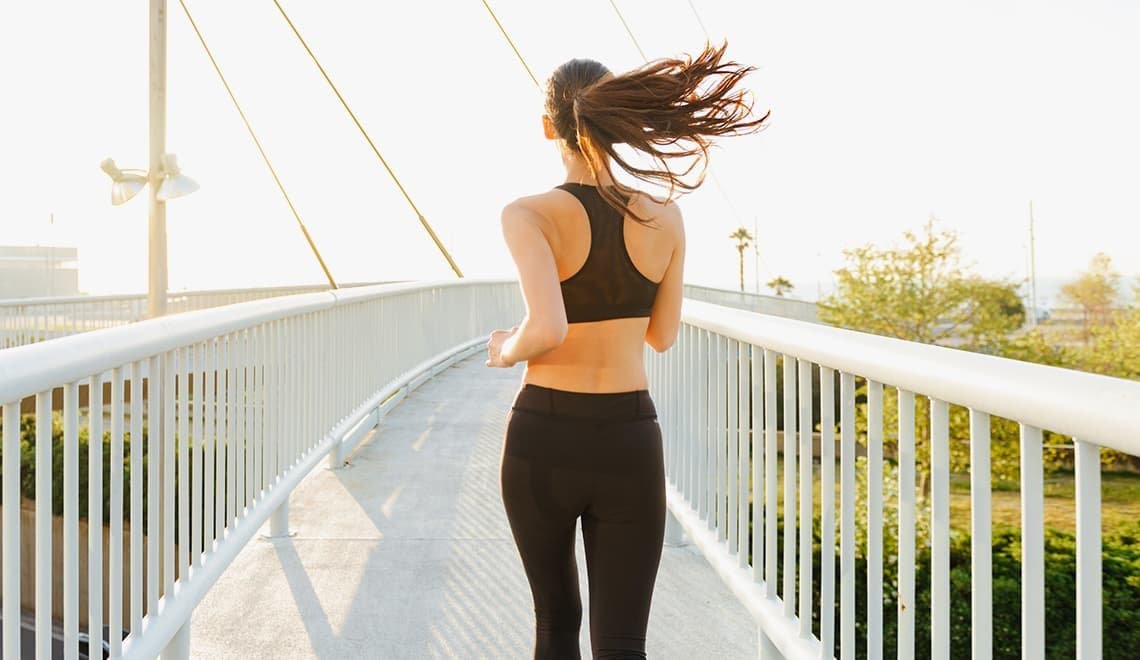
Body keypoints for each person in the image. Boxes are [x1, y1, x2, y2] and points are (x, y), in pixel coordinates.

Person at [484, 42, 767, 659]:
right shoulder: (666, 216)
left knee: (555, 624)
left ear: (548, 127)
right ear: (618, 122)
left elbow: (547, 328)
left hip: (543, 438)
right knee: (622, 645)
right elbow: (662, 335)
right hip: (629, 440)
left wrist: (505, 349)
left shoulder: (528, 214)